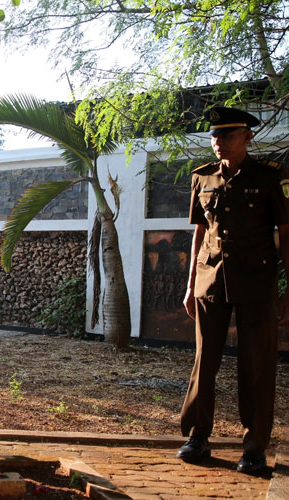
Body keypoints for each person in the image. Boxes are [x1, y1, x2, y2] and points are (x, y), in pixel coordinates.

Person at [178, 107, 289, 475]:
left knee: (256, 365)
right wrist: (192, 282)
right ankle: (197, 436)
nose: (218, 142)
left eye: (227, 135)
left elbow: (285, 233)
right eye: (214, 136)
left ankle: (254, 448)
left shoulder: (270, 177)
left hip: (256, 282)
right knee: (204, 360)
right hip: (211, 279)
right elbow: (199, 232)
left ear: (248, 137)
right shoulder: (202, 178)